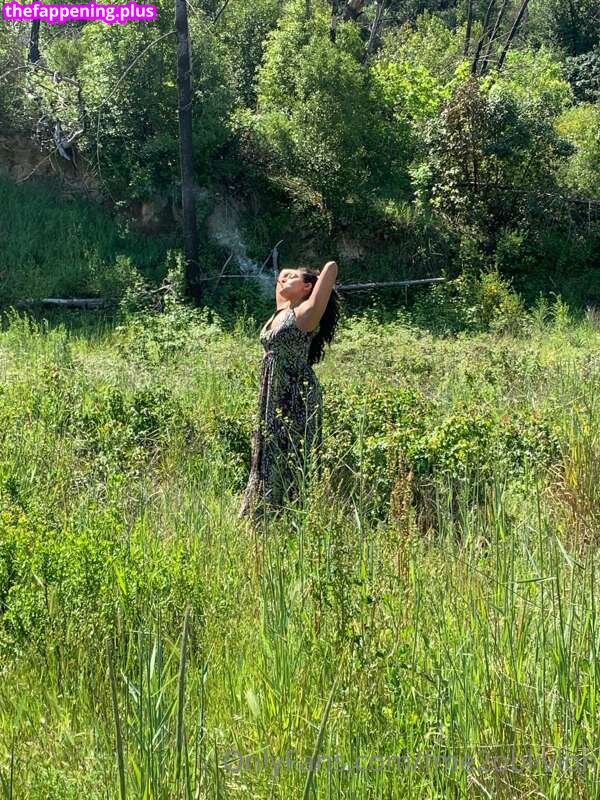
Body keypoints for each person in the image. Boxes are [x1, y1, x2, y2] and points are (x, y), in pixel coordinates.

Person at [239, 261, 341, 524]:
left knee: (290, 451)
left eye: (292, 277)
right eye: (282, 277)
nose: (283, 279)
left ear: (307, 287)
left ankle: (290, 515)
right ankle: (262, 512)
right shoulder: (282, 310)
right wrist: (290, 279)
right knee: (268, 447)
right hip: (272, 391)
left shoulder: (307, 312)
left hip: (295, 394)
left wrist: (313, 280)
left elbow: (331, 268)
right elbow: (281, 282)